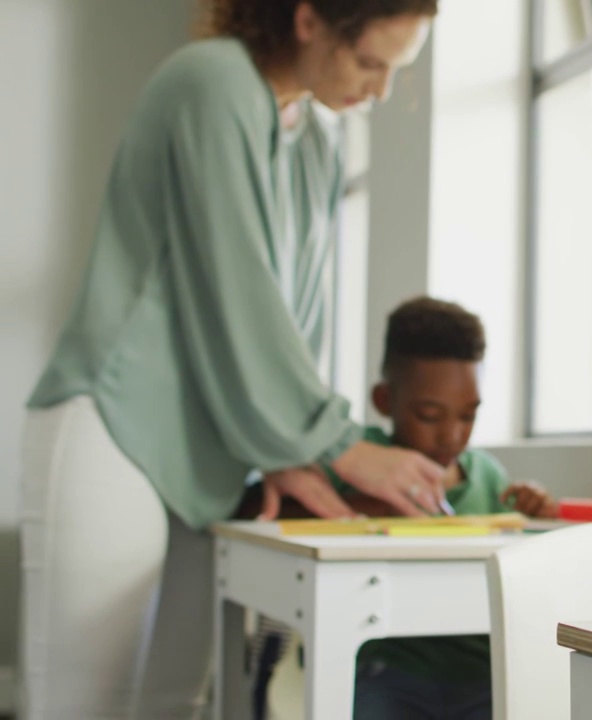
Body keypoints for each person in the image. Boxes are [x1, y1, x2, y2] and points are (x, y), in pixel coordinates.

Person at [20, 2, 446, 717]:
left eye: (393, 73)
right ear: (308, 19)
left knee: (174, 701)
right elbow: (233, 285)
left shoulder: (317, 138)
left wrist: (286, 452)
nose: (377, 91)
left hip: (215, 450)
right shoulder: (210, 82)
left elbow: (295, 315)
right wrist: (335, 443)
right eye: (369, 63)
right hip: (116, 426)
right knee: (80, 705)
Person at [335, 296, 559, 719]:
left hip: (481, 671)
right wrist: (368, 509)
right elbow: (270, 512)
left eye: (468, 415)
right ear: (385, 400)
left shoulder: (489, 476)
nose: (452, 436)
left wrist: (535, 512)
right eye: (430, 415)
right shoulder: (358, 459)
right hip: (388, 667)